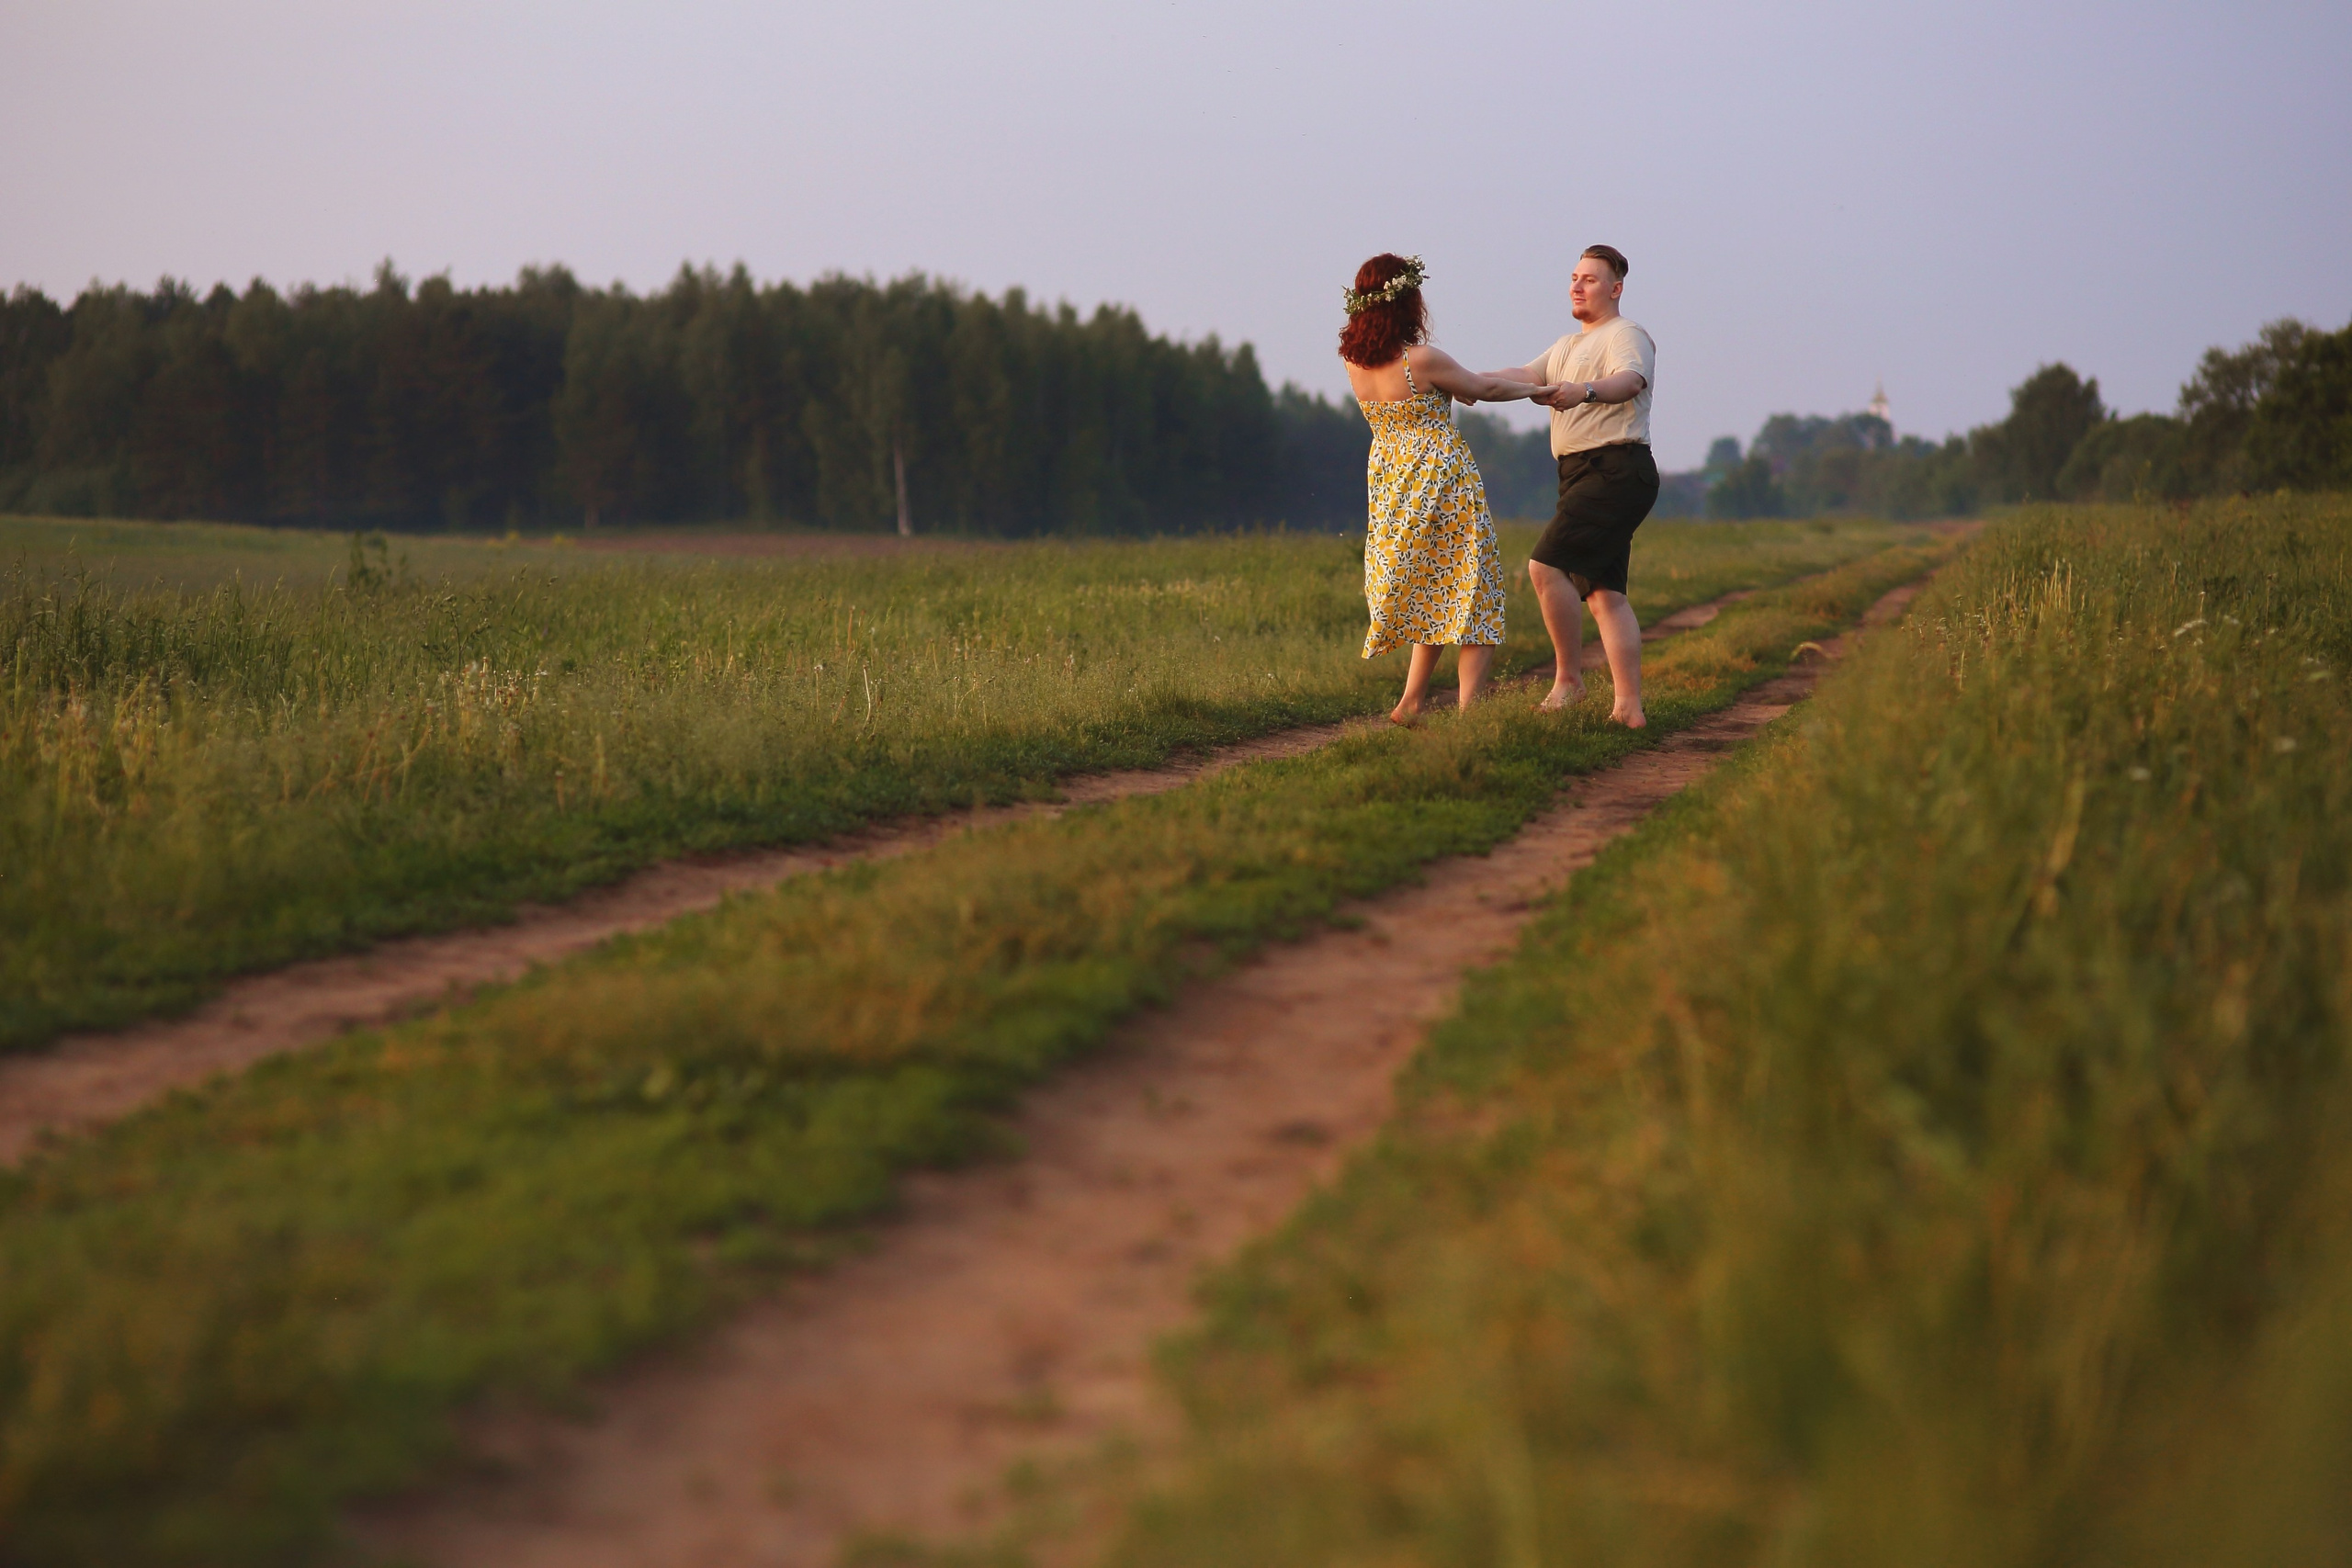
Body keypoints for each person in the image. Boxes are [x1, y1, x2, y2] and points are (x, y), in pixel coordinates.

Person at [1338, 254, 1558, 727]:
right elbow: (1481, 389)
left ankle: (1412, 702)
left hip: (1393, 483)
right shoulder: (1422, 360)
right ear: (1407, 303)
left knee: (1433, 586)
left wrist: (1465, 386)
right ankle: (1469, 716)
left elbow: (1462, 387)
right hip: (1442, 481)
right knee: (1472, 589)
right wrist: (1536, 390)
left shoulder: (1353, 363)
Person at [1487, 244, 1658, 727]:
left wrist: (1583, 391)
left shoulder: (1626, 334)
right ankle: (1628, 709)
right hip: (1583, 474)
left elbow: (1629, 381)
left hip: (1617, 470)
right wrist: (1463, 379)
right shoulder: (1566, 346)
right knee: (1605, 593)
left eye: (1589, 279)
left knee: (1545, 567)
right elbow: (1525, 375)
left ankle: (1569, 681)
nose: (1577, 286)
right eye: (1574, 277)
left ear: (1616, 288)